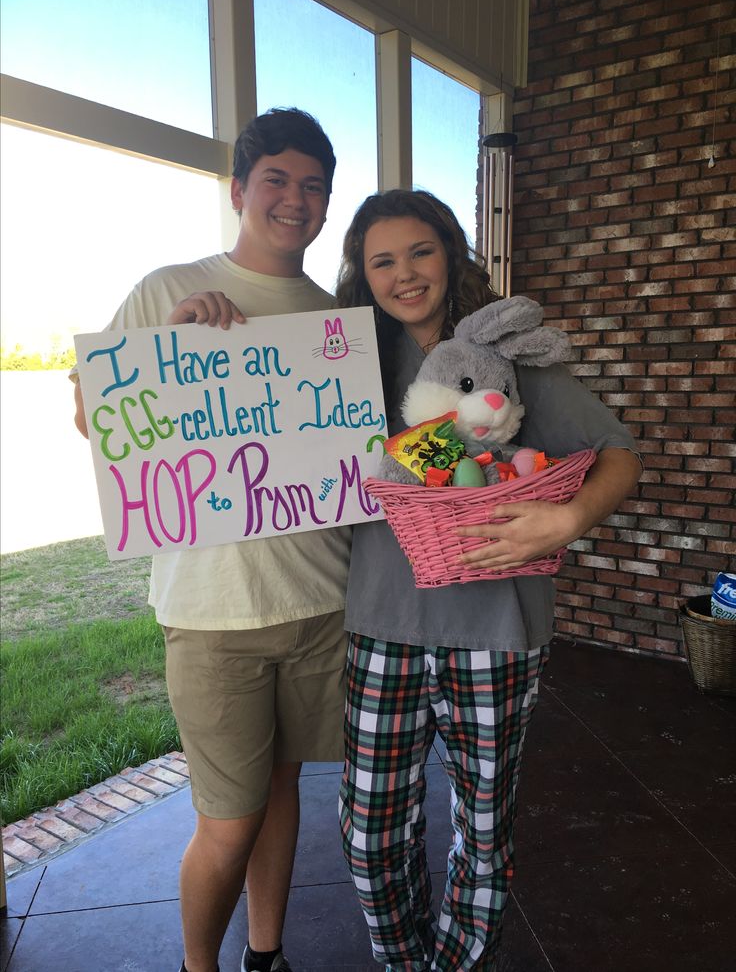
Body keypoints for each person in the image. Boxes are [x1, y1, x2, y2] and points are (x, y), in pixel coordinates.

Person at [334, 189, 642, 972]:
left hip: (497, 636)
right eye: (382, 260)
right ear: (360, 274)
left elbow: (617, 452)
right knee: (370, 834)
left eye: (421, 251)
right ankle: (404, 960)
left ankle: (461, 964)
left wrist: (569, 521)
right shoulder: (347, 361)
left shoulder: (512, 361)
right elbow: (249, 403)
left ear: (452, 252)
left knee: (482, 828)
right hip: (382, 630)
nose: (405, 274)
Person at [73, 108, 350, 972]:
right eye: (277, 180)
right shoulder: (170, 286)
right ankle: (200, 965)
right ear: (239, 190)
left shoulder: (333, 319)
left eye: (313, 186)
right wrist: (171, 348)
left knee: (282, 789)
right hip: (213, 611)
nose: (295, 200)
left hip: (322, 600)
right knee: (226, 823)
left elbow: (364, 447)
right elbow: (93, 413)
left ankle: (264, 955)